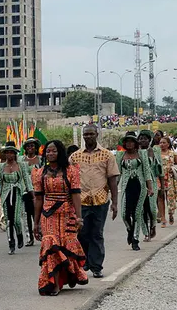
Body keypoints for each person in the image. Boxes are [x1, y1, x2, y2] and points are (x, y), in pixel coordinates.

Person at [32, 140, 89, 296]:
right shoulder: (40, 173)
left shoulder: (71, 171)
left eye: (54, 151)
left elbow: (76, 194)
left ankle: (69, 275)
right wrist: (35, 223)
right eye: (48, 151)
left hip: (66, 214)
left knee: (66, 246)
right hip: (47, 215)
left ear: (60, 152)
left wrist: (79, 217)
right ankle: (55, 284)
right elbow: (38, 199)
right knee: (51, 245)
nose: (50, 154)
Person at [69, 125, 119, 279]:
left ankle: (96, 266)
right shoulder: (74, 157)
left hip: (101, 200)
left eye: (91, 134)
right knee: (82, 233)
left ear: (97, 135)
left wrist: (115, 203)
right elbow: (69, 181)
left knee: (97, 233)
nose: (88, 137)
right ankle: (85, 262)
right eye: (86, 134)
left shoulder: (107, 155)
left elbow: (112, 179)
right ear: (83, 136)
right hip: (81, 201)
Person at [115, 133, 154, 251]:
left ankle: (135, 240)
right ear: (124, 144)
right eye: (127, 142)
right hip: (126, 186)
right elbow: (117, 174)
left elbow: (147, 172)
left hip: (140, 186)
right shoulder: (120, 155)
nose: (129, 144)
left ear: (135, 143)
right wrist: (112, 190)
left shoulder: (142, 154)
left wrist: (150, 187)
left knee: (137, 213)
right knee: (124, 214)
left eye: (132, 141)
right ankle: (129, 230)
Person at [0, 142, 34, 254]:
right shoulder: (0, 167)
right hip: (6, 194)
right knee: (8, 221)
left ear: (15, 154)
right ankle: (11, 243)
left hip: (17, 193)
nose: (9, 155)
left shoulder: (21, 165)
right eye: (7, 153)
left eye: (11, 153)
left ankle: (19, 235)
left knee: (17, 220)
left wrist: (32, 196)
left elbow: (27, 180)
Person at [137, 130, 163, 241]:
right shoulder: (135, 152)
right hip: (140, 183)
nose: (143, 140)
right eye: (141, 138)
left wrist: (163, 185)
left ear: (149, 140)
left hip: (152, 182)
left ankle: (153, 225)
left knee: (152, 208)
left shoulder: (154, 151)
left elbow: (160, 168)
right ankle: (146, 232)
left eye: (145, 138)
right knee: (141, 209)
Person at [21, 137, 42, 245]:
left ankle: (40, 233)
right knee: (26, 215)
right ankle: (29, 238)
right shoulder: (20, 160)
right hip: (24, 190)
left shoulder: (41, 159)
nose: (30, 148)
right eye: (28, 146)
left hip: (38, 190)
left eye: (32, 146)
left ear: (36, 147)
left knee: (38, 213)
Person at [158, 136, 177, 227]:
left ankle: (170, 214)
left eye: (164, 142)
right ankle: (163, 219)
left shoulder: (173, 153)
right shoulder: (157, 154)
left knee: (170, 198)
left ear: (168, 144)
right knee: (160, 197)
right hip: (159, 178)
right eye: (160, 143)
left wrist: (174, 169)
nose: (162, 144)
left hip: (170, 178)